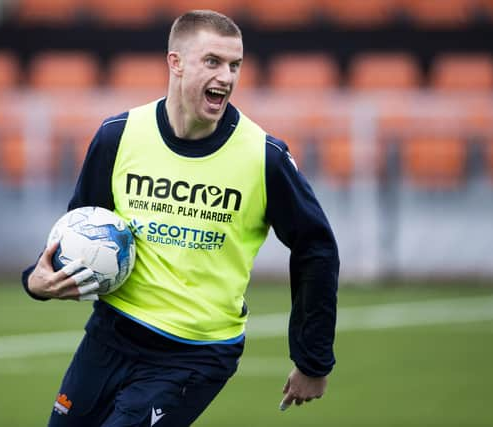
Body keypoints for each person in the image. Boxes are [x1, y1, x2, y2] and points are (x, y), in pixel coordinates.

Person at [22, 9, 339, 427]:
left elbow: (316, 248)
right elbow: (79, 231)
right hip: (109, 336)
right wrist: (37, 281)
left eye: (234, 65)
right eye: (213, 62)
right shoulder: (118, 136)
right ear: (176, 62)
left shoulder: (264, 158)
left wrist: (312, 360)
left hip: (195, 354)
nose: (226, 77)